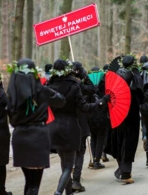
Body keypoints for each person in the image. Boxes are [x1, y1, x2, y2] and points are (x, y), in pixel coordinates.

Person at [47, 59, 110, 195]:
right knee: (69, 166)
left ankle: (68, 191)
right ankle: (58, 192)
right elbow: (86, 107)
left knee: (64, 164)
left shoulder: (49, 86)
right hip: (71, 127)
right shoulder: (75, 86)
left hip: (53, 128)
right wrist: (102, 102)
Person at [7, 58, 66, 195]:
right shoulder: (42, 90)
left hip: (20, 137)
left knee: (29, 180)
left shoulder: (12, 94)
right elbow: (61, 101)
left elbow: (11, 117)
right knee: (34, 184)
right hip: (38, 136)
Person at [105, 55, 144, 184]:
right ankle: (125, 173)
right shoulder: (135, 76)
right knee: (129, 142)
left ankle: (121, 169)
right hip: (131, 114)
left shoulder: (114, 76)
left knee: (118, 140)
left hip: (116, 112)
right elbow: (141, 97)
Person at [71, 61, 96, 192]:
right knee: (80, 151)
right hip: (79, 121)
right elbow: (92, 89)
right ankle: (75, 180)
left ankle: (68, 179)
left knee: (69, 153)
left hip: (64, 124)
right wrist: (85, 77)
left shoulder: (58, 83)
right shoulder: (78, 86)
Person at [87, 67, 110, 170]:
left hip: (90, 115)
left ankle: (93, 159)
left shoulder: (87, 86)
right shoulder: (105, 85)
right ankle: (97, 160)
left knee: (93, 138)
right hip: (101, 116)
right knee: (100, 138)